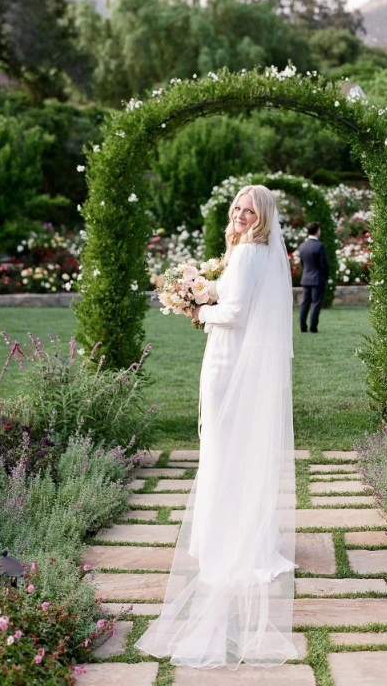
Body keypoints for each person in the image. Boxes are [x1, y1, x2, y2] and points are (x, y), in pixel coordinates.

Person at [134, 184, 297, 670]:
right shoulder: (251, 251)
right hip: (229, 357)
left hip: (227, 362)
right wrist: (201, 290)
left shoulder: (249, 254)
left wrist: (198, 308)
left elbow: (235, 312)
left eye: (250, 209)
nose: (241, 214)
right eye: (238, 207)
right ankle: (233, 531)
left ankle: (229, 541)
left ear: (263, 214)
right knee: (231, 449)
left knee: (224, 448)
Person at [298, 222, 329, 333]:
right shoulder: (319, 246)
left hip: (306, 278)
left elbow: (302, 263)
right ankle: (313, 327)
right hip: (317, 279)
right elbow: (324, 265)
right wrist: (326, 276)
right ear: (317, 231)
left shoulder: (302, 246)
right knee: (316, 304)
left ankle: (302, 326)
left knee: (305, 303)